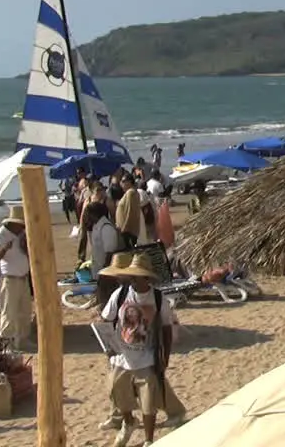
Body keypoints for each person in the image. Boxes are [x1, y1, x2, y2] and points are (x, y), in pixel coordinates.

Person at [100, 253, 183, 446]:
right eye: (131, 276)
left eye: (136, 277)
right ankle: (128, 422)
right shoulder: (120, 294)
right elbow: (106, 319)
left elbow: (166, 328)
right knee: (116, 392)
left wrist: (165, 355)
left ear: (146, 278)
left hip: (146, 357)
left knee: (148, 404)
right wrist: (108, 344)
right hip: (122, 357)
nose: (132, 281)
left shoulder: (157, 298)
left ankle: (148, 440)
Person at [0, 206, 32, 348]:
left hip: (23, 277)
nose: (23, 227)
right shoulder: (0, 235)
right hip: (10, 278)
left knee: (25, 311)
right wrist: (4, 249)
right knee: (9, 313)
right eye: (21, 225)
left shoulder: (21, 235)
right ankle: (7, 343)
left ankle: (23, 340)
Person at [86, 203, 121, 307]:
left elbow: (110, 252)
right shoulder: (96, 226)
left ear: (95, 214)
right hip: (98, 267)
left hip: (105, 269)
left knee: (108, 294)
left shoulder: (107, 228)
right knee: (102, 293)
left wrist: (105, 271)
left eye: (88, 214)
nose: (87, 216)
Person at [116, 177, 143, 250]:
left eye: (123, 181)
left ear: (129, 182)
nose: (121, 184)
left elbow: (129, 211)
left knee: (128, 252)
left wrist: (125, 227)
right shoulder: (133, 192)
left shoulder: (130, 193)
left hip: (128, 231)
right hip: (130, 229)